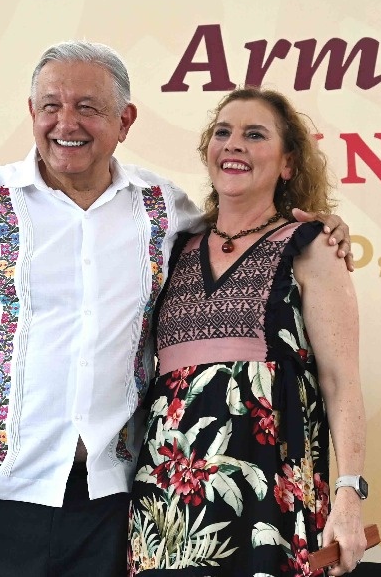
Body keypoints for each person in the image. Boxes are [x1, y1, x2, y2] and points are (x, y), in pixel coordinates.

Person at [0, 41, 352, 576]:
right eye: (51, 106)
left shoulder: (164, 208)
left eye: (87, 107)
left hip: (108, 507)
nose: (66, 122)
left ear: (125, 121)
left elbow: (243, 230)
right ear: (32, 113)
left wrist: (320, 227)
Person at [127, 87, 367, 576]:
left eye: (255, 135)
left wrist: (349, 494)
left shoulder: (311, 245)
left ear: (288, 164)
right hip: (168, 502)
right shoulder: (173, 245)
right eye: (223, 132)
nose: (233, 143)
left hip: (270, 498)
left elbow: (341, 383)